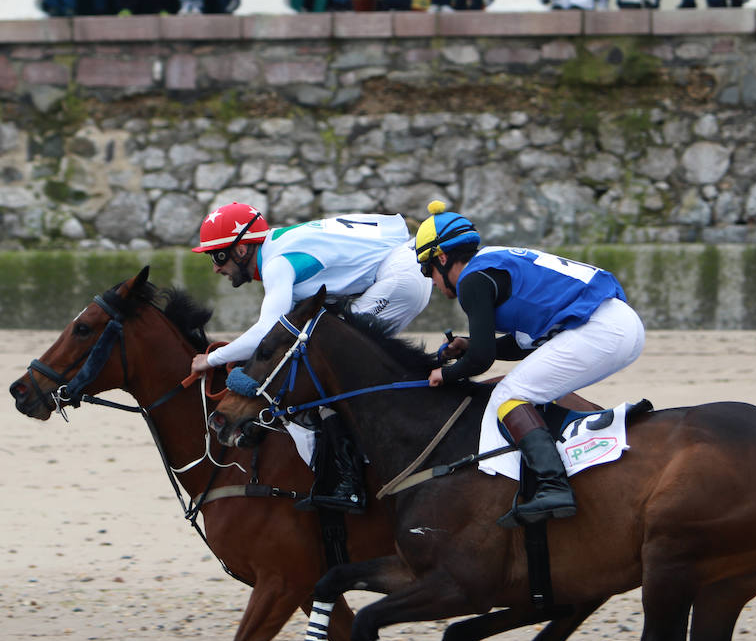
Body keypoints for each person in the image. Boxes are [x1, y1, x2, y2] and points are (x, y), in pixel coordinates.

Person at [188, 203, 432, 512]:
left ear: (240, 251)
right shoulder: (279, 248)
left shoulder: (277, 263)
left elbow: (267, 331)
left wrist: (210, 360)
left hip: (399, 280)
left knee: (327, 361)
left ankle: (352, 480)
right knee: (321, 357)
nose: (215, 267)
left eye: (217, 255)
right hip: (401, 270)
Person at [417, 200, 645, 527]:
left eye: (429, 272)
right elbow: (522, 346)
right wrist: (468, 343)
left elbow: (482, 360)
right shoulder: (492, 262)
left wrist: (446, 373)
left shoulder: (472, 281)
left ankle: (552, 486)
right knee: (529, 388)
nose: (434, 283)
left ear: (442, 258)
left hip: (599, 329)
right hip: (617, 324)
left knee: (508, 394)